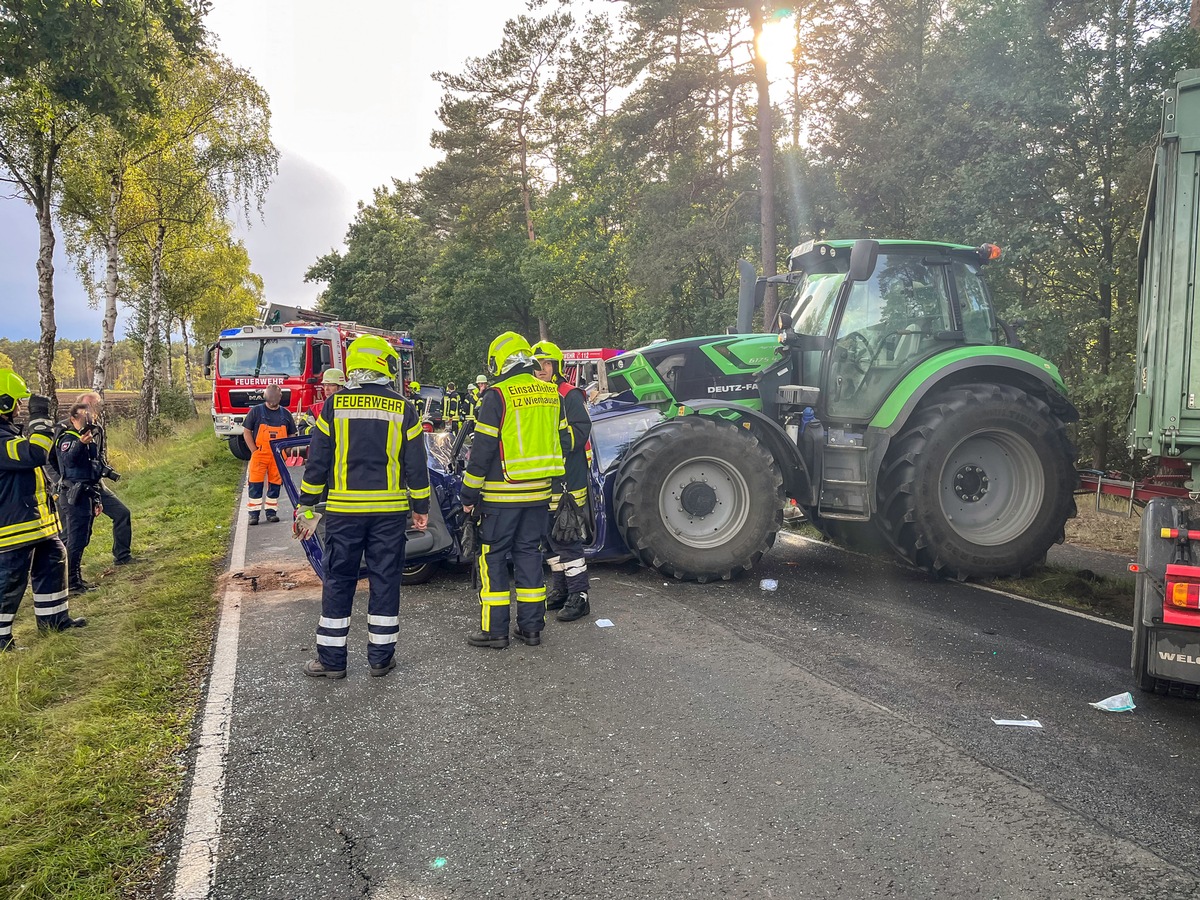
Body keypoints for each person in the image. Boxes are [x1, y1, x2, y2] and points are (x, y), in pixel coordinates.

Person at [294, 335, 430, 679]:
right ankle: (381, 659)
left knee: (339, 580)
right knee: (385, 580)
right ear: (384, 364)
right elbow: (416, 465)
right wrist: (421, 506)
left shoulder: (334, 405)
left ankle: (332, 661)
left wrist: (306, 505)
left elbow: (318, 462)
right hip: (388, 514)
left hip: (344, 513)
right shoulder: (403, 408)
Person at [461, 332, 566, 650]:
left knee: (492, 559)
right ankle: (531, 629)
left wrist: (468, 496)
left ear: (500, 361)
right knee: (529, 557)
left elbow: (481, 452)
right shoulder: (552, 395)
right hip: (539, 496)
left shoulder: (496, 395)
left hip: (500, 496)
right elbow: (561, 444)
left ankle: (495, 632)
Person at [0, 370, 86, 650]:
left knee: (53, 559)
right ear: (4, 403)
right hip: (12, 529)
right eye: (16, 403)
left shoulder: (8, 433)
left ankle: (55, 622)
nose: (19, 408)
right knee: (9, 582)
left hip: (36, 523)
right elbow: (35, 453)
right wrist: (39, 417)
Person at [532, 340, 593, 622]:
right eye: (537, 365)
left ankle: (579, 596)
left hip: (567, 481)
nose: (540, 369)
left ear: (556, 367)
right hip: (543, 480)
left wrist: (546, 444)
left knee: (566, 539)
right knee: (548, 539)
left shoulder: (569, 395)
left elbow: (580, 433)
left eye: (545, 364)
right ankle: (560, 589)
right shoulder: (536, 396)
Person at [78, 391, 133, 566]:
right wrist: (60, 483)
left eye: (96, 405)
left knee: (122, 514)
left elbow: (99, 456)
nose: (93, 409)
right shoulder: (64, 429)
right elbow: (51, 462)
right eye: (89, 406)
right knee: (80, 532)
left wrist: (105, 469)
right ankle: (70, 575)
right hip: (75, 488)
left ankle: (123, 556)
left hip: (96, 485)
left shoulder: (97, 428)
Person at [57, 402, 103, 595]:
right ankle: (71, 583)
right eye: (84, 417)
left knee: (84, 537)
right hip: (72, 495)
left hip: (87, 493)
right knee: (75, 540)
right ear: (73, 419)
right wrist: (80, 444)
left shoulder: (89, 439)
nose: (87, 421)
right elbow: (67, 461)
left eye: (89, 417)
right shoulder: (67, 438)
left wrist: (97, 498)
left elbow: (93, 469)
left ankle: (77, 579)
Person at [242, 385, 296, 525]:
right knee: (255, 484)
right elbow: (246, 431)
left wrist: (287, 450)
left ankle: (271, 513)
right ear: (265, 397)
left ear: (280, 397)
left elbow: (292, 433)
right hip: (260, 454)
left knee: (275, 484)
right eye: (270, 398)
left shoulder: (286, 414)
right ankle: (254, 515)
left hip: (278, 456)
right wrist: (254, 450)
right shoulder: (256, 411)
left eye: (275, 398)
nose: (272, 401)